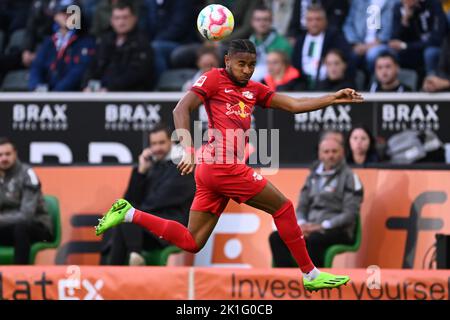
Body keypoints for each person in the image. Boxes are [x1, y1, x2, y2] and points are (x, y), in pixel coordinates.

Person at [95, 39, 364, 291]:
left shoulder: (254, 90)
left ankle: (129, 214)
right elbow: (180, 109)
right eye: (241, 64)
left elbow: (293, 104)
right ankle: (310, 274)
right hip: (220, 164)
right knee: (284, 208)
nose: (246, 70)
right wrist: (186, 148)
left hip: (213, 170)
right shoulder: (213, 78)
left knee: (192, 241)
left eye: (251, 65)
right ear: (227, 61)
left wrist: (332, 98)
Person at [106, 125, 195, 265]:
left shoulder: (182, 166)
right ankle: (132, 256)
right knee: (121, 217)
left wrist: (135, 211)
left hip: (171, 227)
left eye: (162, 143)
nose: (157, 148)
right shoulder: (151, 167)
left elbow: (160, 200)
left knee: (126, 214)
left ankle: (114, 273)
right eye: (154, 144)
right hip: (147, 229)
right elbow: (129, 199)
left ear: (171, 142)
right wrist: (141, 172)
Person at [269, 136, 363, 267]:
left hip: (338, 230)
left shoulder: (351, 178)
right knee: (276, 237)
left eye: (334, 151)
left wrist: (322, 226)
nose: (330, 155)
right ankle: (288, 281)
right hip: (311, 228)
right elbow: (302, 206)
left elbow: (350, 214)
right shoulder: (312, 176)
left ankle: (316, 281)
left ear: (342, 152)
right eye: (326, 152)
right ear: (320, 154)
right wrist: (302, 225)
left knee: (314, 239)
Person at [0, 137, 53, 264]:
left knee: (21, 228)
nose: (4, 158)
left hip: (37, 227)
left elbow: (26, 215)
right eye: (0, 155)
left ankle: (18, 278)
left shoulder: (27, 174)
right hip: (8, 228)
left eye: (7, 154)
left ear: (15, 154)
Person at [83, 0, 154, 92]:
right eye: (117, 18)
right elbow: (92, 67)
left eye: (125, 17)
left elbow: (136, 75)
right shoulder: (105, 40)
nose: (121, 22)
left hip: (128, 97)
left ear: (134, 18)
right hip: (100, 93)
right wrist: (86, 84)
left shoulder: (142, 43)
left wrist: (109, 88)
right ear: (111, 20)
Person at [28, 0, 95, 91]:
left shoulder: (86, 42)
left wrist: (56, 93)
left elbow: (78, 72)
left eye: (72, 12)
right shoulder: (49, 42)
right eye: (63, 12)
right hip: (46, 94)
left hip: (73, 97)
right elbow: (37, 67)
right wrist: (37, 87)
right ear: (55, 16)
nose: (67, 16)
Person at [292, 4, 351, 90]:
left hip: (330, 86)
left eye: (318, 19)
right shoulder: (300, 41)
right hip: (303, 85)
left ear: (325, 21)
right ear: (306, 22)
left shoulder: (335, 38)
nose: (314, 23)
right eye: (310, 20)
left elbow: (346, 60)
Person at [389, 0, 448, 76]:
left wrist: (406, 45)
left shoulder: (434, 4)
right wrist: (405, 20)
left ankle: (431, 81)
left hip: (431, 47)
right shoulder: (399, 7)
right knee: (392, 53)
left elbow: (436, 39)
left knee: (430, 53)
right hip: (413, 48)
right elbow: (394, 40)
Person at [343, 0, 396, 72]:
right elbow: (348, 24)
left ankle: (371, 81)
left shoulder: (392, 2)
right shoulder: (358, 2)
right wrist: (355, 43)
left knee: (372, 55)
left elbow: (388, 30)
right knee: (348, 55)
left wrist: (368, 46)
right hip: (358, 43)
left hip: (381, 44)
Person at [248, 6, 292, 82]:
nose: (262, 23)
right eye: (258, 20)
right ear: (252, 22)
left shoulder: (283, 44)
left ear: (271, 21)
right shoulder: (249, 43)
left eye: (265, 20)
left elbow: (288, 72)